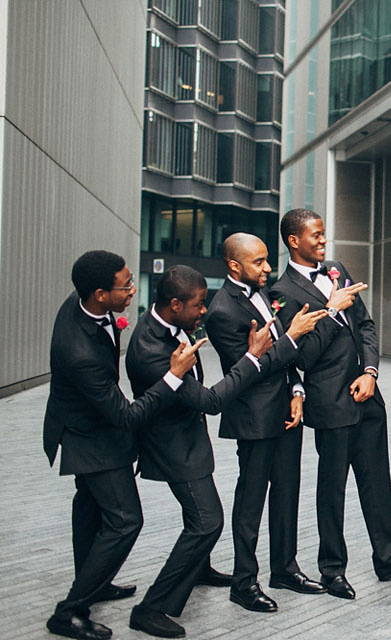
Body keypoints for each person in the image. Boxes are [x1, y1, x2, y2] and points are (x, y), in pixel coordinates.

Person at [124, 265, 323, 637]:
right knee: (207, 522)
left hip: (189, 440)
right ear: (174, 303)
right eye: (198, 305)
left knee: (203, 521)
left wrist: (294, 386)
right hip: (173, 446)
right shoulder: (153, 349)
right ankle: (152, 608)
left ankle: (198, 569)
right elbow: (212, 400)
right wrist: (253, 356)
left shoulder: (170, 326)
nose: (204, 311)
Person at [270, 208, 391, 600]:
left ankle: (388, 555)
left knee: (377, 479)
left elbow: (366, 325)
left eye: (324, 233)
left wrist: (371, 372)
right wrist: (331, 308)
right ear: (294, 240)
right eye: (316, 235)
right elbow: (302, 357)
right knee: (333, 490)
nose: (324, 240)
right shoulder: (283, 293)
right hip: (329, 403)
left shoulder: (336, 269)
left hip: (367, 395)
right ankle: (332, 569)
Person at [43, 250, 201, 640]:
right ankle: (70, 611)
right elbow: (127, 416)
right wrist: (173, 376)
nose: (132, 289)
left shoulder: (82, 302)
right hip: (89, 436)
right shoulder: (78, 351)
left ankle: (95, 580)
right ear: (99, 294)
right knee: (125, 520)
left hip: (93, 423)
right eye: (125, 285)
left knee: (90, 508)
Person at [205, 233, 326, 613]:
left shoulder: (265, 294)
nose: (268, 268)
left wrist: (297, 392)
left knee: (288, 491)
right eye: (258, 262)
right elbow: (251, 369)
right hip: (254, 419)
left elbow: (280, 358)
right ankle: (244, 582)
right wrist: (292, 337)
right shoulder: (222, 311)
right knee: (251, 500)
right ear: (234, 266)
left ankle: (285, 569)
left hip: (286, 411)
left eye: (266, 260)